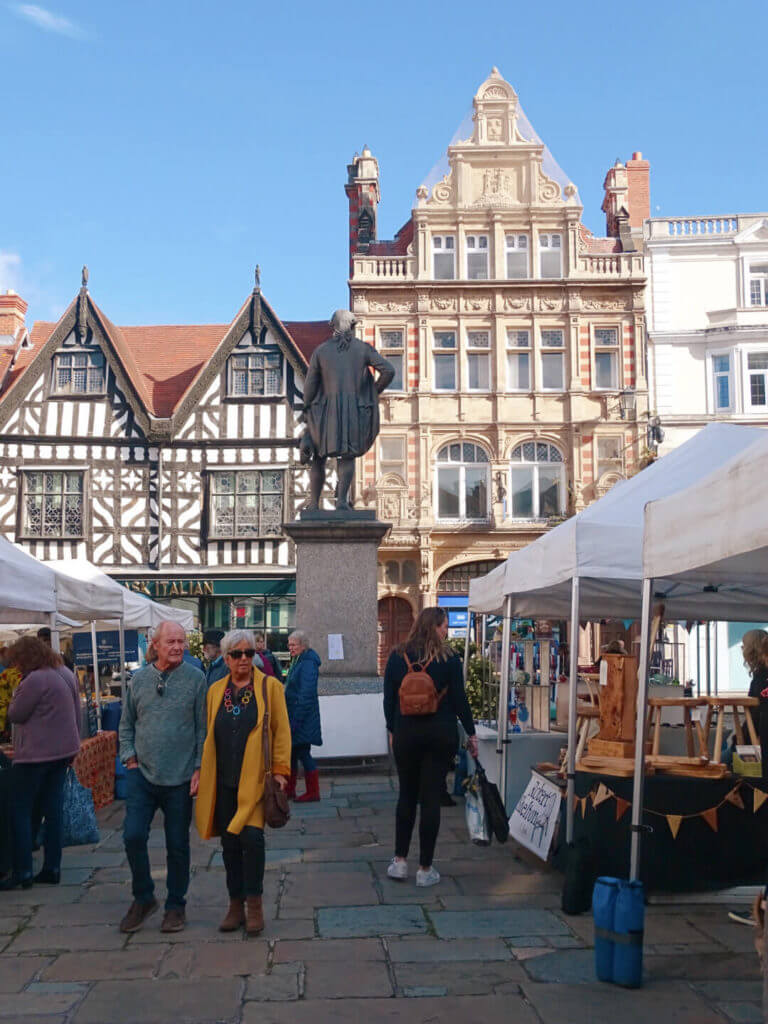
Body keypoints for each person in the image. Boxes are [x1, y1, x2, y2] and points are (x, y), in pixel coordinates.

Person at [195, 630, 291, 935]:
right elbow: (208, 733)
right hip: (223, 779)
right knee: (229, 844)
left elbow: (281, 731)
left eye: (249, 653)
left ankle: (254, 906)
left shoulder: (270, 687)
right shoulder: (215, 691)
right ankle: (235, 905)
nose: (244, 659)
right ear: (226, 659)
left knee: (252, 839)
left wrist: (281, 771)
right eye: (237, 654)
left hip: (256, 780)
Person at [118, 621, 206, 934]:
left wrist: (199, 767)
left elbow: (202, 728)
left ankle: (175, 906)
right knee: (132, 836)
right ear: (155, 645)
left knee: (177, 845)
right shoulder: (139, 680)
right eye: (171, 641)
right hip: (142, 775)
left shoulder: (196, 679)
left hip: (180, 777)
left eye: (182, 641)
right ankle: (144, 898)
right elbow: (126, 723)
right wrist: (128, 755)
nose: (178, 647)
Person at [383, 607, 478, 888]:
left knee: (406, 795)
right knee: (431, 799)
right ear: (434, 627)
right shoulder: (449, 658)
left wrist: (393, 729)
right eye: (444, 626)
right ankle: (425, 868)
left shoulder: (397, 656)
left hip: (406, 734)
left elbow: (388, 700)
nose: (446, 631)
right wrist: (471, 734)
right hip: (440, 734)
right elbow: (460, 700)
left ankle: (400, 861)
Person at [0, 636, 80, 890]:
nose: (16, 666)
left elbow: (16, 714)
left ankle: (22, 870)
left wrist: (15, 696)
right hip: (62, 752)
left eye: (17, 660)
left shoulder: (35, 679)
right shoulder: (63, 673)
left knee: (19, 811)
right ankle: (52, 867)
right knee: (53, 812)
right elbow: (76, 710)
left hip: (35, 755)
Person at [302, 309, 395, 511]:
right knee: (348, 455)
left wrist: (307, 409)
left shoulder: (321, 351)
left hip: (324, 412)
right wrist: (372, 392)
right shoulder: (363, 349)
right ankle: (342, 502)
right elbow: (389, 370)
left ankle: (314, 504)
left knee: (318, 457)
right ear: (352, 327)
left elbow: (309, 388)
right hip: (353, 411)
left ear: (332, 327)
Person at [284, 631, 322, 802]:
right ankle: (289, 790)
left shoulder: (307, 663)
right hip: (296, 715)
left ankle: (313, 792)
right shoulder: (299, 660)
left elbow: (306, 693)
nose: (290, 648)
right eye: (289, 644)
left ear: (303, 645)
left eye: (293, 644)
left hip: (302, 717)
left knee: (303, 753)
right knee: (292, 753)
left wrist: (296, 720)